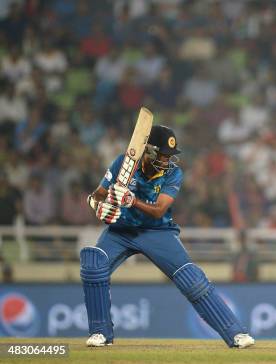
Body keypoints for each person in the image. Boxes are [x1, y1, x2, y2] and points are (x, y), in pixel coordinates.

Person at [81, 125, 254, 348]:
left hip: (156, 231)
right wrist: (98, 206)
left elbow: (159, 210)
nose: (167, 161)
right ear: (149, 151)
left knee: (192, 280)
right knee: (94, 263)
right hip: (121, 231)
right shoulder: (123, 163)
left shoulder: (173, 173)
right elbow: (98, 195)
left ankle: (236, 334)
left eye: (169, 156)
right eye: (163, 155)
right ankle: (100, 333)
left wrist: (131, 201)